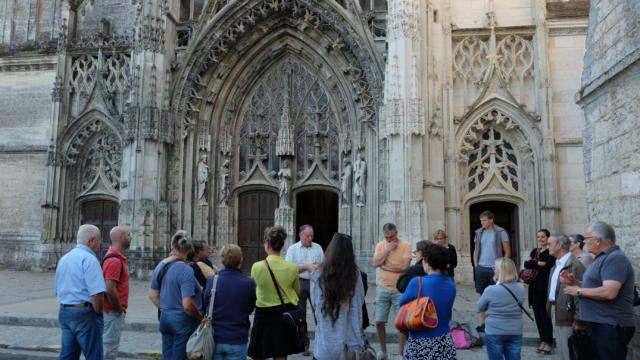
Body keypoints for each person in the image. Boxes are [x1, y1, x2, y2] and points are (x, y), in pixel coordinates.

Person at [561, 221, 636, 359]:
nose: (584, 241)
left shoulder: (615, 259)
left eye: (587, 238)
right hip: (602, 324)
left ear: (597, 240)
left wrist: (579, 291)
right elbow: (599, 285)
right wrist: (575, 282)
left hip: (611, 326)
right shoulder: (601, 258)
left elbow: (609, 292)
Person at [248, 226, 302, 360]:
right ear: (282, 246)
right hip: (283, 314)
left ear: (267, 245)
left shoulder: (257, 266)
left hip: (262, 314)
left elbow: (254, 287)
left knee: (257, 353)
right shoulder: (292, 268)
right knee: (280, 353)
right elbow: (297, 290)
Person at [310, 233, 365, 360]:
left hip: (324, 344)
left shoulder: (318, 274)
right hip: (349, 345)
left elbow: (315, 303)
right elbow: (359, 302)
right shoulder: (355, 274)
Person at [149, 231, 203, 360]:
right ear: (190, 249)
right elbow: (188, 305)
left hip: (165, 317)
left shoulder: (161, 265)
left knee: (167, 354)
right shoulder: (186, 270)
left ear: (172, 245)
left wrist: (166, 309)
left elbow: (152, 295)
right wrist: (200, 317)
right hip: (182, 320)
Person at [55, 224, 106, 360]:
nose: (101, 243)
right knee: (94, 355)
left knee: (68, 355)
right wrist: (98, 313)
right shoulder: (90, 259)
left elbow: (58, 290)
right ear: (91, 241)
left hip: (65, 311)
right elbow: (97, 293)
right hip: (85, 313)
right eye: (99, 240)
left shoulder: (64, 259)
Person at [400, 245, 457, 360]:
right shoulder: (451, 286)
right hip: (444, 340)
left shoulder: (417, 282)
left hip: (421, 340)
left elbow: (402, 305)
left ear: (427, 262)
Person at [204, 244, 256, 360]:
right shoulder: (248, 283)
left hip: (215, 338)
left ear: (221, 260)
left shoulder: (213, 280)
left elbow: (206, 304)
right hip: (237, 338)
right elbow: (250, 308)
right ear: (241, 260)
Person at [371, 223, 411, 359]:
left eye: (391, 237)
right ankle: (383, 351)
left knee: (401, 323)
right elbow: (375, 263)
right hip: (383, 287)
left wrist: (386, 267)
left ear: (396, 233)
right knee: (378, 321)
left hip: (400, 289)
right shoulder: (381, 245)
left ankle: (400, 354)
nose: (389, 239)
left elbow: (405, 267)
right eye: (386, 237)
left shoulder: (405, 245)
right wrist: (387, 249)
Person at [285, 224, 324, 356]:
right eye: (307, 235)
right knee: (300, 316)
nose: (310, 238)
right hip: (299, 283)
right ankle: (304, 345)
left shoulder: (318, 247)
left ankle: (321, 342)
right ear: (300, 235)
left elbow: (324, 265)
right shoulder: (292, 249)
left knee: (318, 312)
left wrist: (320, 267)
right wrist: (306, 267)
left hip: (315, 283)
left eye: (312, 235)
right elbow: (289, 270)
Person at [547, 233, 585, 360]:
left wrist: (579, 319)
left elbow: (580, 293)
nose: (547, 247)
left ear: (559, 245)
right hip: (556, 312)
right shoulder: (555, 266)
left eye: (549, 244)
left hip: (569, 317)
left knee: (570, 353)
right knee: (562, 352)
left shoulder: (575, 265)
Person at [477, 257, 524, 360]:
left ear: (500, 271)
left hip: (495, 330)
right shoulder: (521, 288)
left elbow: (479, 307)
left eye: (495, 269)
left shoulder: (491, 290)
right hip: (515, 330)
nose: (493, 270)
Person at [473, 210, 511, 332]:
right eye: (481, 220)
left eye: (484, 220)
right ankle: (484, 323)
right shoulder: (479, 232)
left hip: (496, 270)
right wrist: (476, 265)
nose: (482, 223)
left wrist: (501, 267)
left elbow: (508, 252)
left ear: (491, 220)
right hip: (481, 268)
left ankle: (497, 322)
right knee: (483, 296)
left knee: (497, 296)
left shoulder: (501, 232)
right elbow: (476, 250)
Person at [523, 229, 555, 354]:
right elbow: (526, 264)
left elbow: (548, 267)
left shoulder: (551, 252)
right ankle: (542, 340)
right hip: (534, 287)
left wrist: (534, 262)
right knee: (537, 316)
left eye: (543, 237)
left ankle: (548, 342)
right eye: (538, 237)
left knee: (545, 316)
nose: (540, 239)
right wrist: (539, 263)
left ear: (548, 238)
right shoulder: (534, 251)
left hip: (544, 287)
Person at [102, 226, 132, 360]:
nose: (131, 237)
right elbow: (110, 288)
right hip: (112, 311)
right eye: (128, 235)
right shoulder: (114, 260)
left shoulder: (117, 257)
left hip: (112, 311)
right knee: (109, 348)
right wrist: (119, 309)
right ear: (120, 237)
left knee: (109, 347)